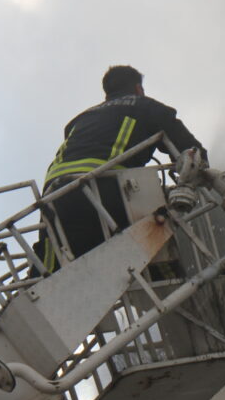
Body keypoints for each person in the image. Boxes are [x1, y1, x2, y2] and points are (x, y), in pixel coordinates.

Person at [38, 65, 204, 270]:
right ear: (138, 89)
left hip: (54, 199)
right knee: (154, 244)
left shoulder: (81, 119)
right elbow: (188, 148)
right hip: (104, 191)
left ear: (107, 93)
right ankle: (170, 275)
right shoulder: (144, 106)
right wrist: (200, 170)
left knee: (51, 269)